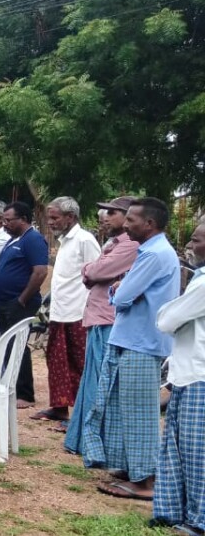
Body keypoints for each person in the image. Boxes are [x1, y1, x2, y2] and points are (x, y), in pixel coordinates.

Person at [82, 198, 180, 501]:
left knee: (140, 412)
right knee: (121, 407)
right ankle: (130, 468)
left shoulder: (155, 255)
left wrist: (118, 289)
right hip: (131, 339)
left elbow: (123, 295)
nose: (125, 224)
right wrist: (121, 289)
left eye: (132, 220)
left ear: (149, 224)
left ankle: (147, 480)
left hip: (142, 342)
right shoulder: (150, 251)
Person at [64, 197, 140, 451]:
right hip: (98, 316)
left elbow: (95, 272)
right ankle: (81, 440)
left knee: (100, 382)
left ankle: (95, 443)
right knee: (91, 380)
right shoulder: (112, 243)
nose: (104, 216)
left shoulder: (129, 246)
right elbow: (94, 271)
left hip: (108, 318)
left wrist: (91, 269)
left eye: (112, 212)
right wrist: (93, 269)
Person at [152, 219, 205, 536]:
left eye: (197, 240)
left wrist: (169, 316)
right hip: (186, 371)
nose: (191, 245)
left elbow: (168, 319)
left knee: (197, 452)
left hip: (199, 373)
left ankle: (198, 520)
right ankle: (173, 511)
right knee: (176, 445)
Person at [33, 197, 101, 423]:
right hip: (60, 312)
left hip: (79, 312)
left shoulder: (85, 240)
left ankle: (83, 416)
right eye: (49, 217)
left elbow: (97, 275)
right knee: (57, 361)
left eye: (55, 218)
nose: (50, 222)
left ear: (70, 217)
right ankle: (59, 408)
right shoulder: (65, 242)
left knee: (79, 363)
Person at [0, 201, 49, 410]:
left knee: (17, 345)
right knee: (0, 343)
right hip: (2, 302)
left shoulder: (33, 239)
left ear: (23, 219)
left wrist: (22, 299)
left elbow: (40, 271)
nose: (4, 224)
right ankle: (6, 385)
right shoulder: (13, 239)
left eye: (8, 220)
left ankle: (25, 394)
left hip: (20, 303)